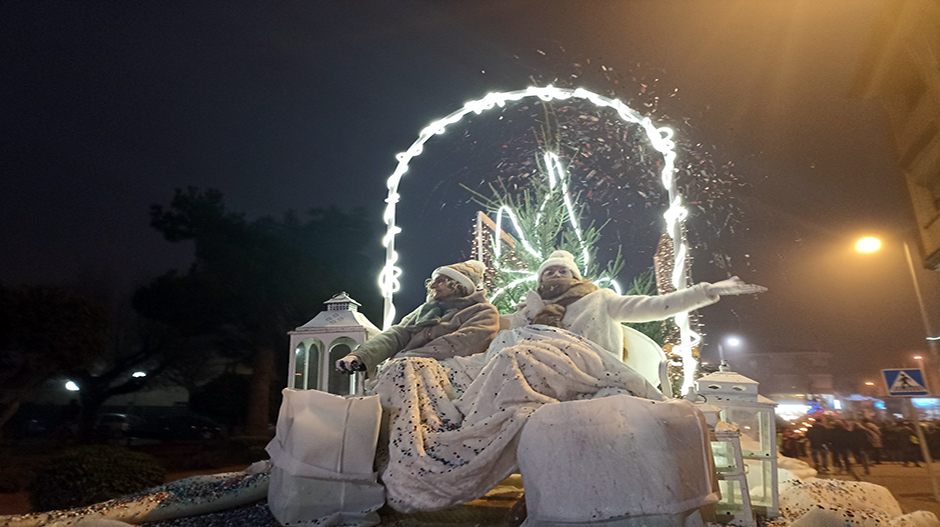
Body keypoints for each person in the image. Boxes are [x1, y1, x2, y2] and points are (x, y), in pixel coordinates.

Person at [367, 249, 767, 515]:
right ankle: (453, 433)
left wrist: (708, 292)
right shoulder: (528, 308)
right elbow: (485, 327)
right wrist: (432, 339)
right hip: (525, 355)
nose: (555, 275)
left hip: (576, 358)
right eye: (549, 271)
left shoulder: (601, 299)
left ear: (575, 276)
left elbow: (655, 306)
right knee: (464, 362)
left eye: (562, 270)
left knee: (513, 356)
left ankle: (472, 437)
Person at [334, 259, 500, 378]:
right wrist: (360, 356)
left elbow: (460, 344)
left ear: (458, 284)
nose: (433, 286)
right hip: (406, 367)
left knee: (404, 371)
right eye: (433, 282)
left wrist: (409, 357)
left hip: (449, 372)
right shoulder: (427, 309)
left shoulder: (483, 312)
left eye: (440, 281)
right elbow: (398, 334)